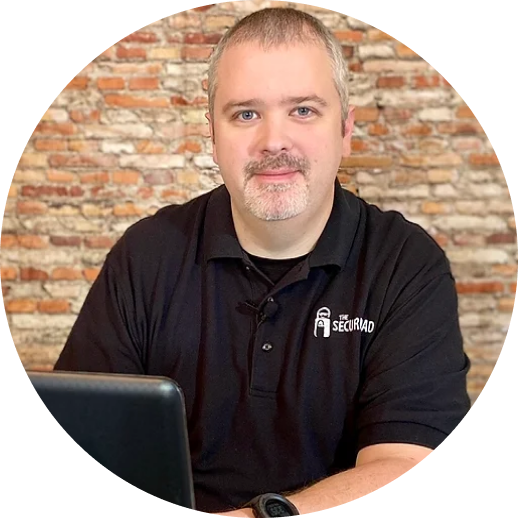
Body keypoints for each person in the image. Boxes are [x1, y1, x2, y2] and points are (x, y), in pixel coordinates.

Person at [53, 7, 475, 516]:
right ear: (213, 133)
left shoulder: (406, 266)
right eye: (246, 113)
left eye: (302, 110)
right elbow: (81, 449)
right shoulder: (145, 255)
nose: (274, 141)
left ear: (345, 129)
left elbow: (410, 475)